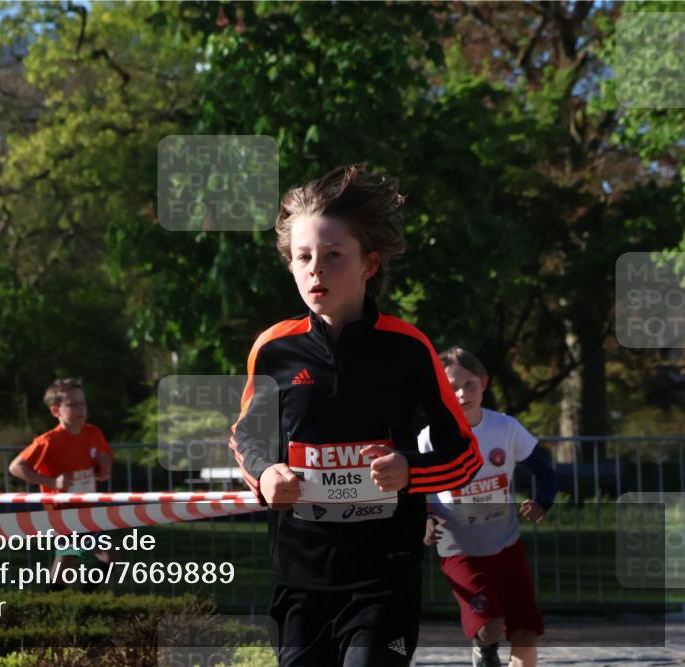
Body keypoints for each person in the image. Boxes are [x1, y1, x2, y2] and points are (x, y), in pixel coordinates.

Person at [229, 164, 484, 667]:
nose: (315, 269)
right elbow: (245, 438)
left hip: (382, 577)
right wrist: (265, 474)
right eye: (302, 257)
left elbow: (464, 453)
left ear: (369, 264)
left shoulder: (409, 349)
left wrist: (410, 469)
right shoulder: (273, 349)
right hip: (299, 576)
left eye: (332, 255)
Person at [419, 347, 557, 667]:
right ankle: (484, 651)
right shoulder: (429, 438)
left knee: (526, 630)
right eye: (452, 386)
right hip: (459, 547)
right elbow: (419, 487)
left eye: (469, 385)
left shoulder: (505, 427)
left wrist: (542, 501)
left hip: (506, 543)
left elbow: (545, 470)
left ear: (484, 383)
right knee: (490, 624)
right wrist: (426, 518)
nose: (462, 394)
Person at [8, 378, 115, 591]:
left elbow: (102, 468)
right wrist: (51, 482)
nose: (80, 409)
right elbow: (16, 467)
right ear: (56, 411)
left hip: (85, 510)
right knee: (95, 556)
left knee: (78, 560)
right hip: (61, 513)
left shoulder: (93, 433)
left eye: (83, 403)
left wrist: (105, 467)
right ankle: (64, 603)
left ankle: (63, 602)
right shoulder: (48, 441)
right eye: (72, 405)